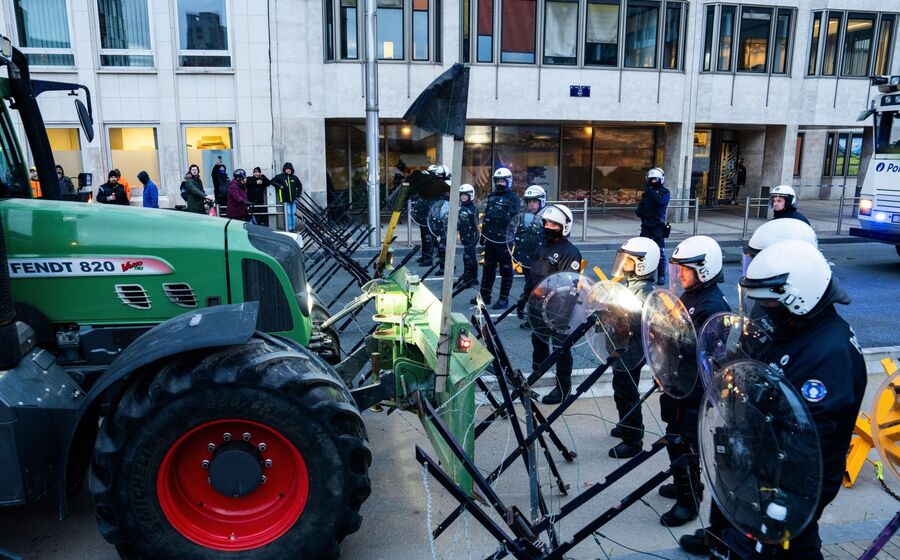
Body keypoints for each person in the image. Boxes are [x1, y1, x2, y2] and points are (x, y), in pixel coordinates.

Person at [701, 240, 865, 560]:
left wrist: (782, 500)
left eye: (770, 304)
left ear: (797, 297)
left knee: (792, 549)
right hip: (761, 469)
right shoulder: (793, 328)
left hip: (790, 487)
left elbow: (809, 439)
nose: (764, 311)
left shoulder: (830, 353)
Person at [679, 218, 820, 556]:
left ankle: (736, 538)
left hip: (777, 444)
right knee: (728, 473)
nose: (753, 270)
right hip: (745, 415)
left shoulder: (816, 336)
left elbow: (815, 436)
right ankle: (719, 532)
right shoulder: (771, 307)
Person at [659, 235, 730, 528]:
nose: (681, 274)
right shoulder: (691, 296)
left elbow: (701, 348)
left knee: (684, 441)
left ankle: (688, 500)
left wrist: (668, 335)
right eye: (678, 268)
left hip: (693, 387)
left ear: (705, 268)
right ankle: (682, 481)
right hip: (677, 380)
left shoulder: (713, 305)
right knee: (674, 435)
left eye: (686, 269)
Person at [606, 237, 659, 459]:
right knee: (621, 388)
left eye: (628, 259)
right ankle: (626, 423)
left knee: (626, 392)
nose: (623, 262)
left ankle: (633, 439)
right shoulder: (628, 284)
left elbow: (639, 323)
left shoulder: (644, 292)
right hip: (621, 347)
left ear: (642, 264)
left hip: (632, 350)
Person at [529, 204, 582, 405]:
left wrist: (561, 312)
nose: (548, 226)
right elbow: (533, 275)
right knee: (538, 340)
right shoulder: (542, 246)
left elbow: (571, 285)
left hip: (559, 307)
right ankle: (538, 372)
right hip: (537, 304)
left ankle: (563, 388)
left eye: (553, 224)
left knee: (561, 348)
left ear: (564, 227)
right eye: (546, 222)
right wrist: (527, 297)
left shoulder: (570, 252)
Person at [474, 167, 521, 309]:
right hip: (491, 239)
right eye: (498, 180)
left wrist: (503, 213)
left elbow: (515, 217)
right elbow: (487, 216)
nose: (500, 183)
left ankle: (504, 299)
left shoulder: (513, 198)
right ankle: (484, 296)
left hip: (505, 240)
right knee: (488, 268)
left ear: (509, 181)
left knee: (506, 269)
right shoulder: (492, 196)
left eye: (503, 180)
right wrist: (483, 235)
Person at [515, 185, 548, 328]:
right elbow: (521, 236)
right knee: (530, 288)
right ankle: (533, 316)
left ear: (541, 201)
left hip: (542, 262)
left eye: (534, 201)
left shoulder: (548, 217)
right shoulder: (527, 218)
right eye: (529, 202)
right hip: (528, 260)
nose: (531, 204)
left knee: (538, 291)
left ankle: (537, 320)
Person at [635, 167, 670, 285]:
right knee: (643, 251)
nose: (652, 182)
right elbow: (641, 208)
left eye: (655, 180)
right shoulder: (647, 194)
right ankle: (646, 273)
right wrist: (640, 211)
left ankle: (661, 275)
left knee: (660, 251)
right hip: (646, 226)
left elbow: (660, 201)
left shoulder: (664, 192)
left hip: (658, 226)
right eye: (651, 179)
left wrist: (650, 191)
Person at [454, 183, 479, 290]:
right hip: (464, 234)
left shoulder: (473, 208)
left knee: (469, 256)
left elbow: (475, 224)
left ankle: (470, 277)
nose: (463, 197)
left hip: (472, 235)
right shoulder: (460, 207)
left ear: (470, 196)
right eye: (462, 195)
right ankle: (470, 275)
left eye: (465, 195)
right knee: (469, 255)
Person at [272, 162, 302, 231]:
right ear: (284, 169)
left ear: (292, 170)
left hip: (293, 200)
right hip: (285, 200)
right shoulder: (280, 176)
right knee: (288, 214)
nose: (288, 170)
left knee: (293, 214)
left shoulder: (294, 177)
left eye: (290, 169)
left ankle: (293, 228)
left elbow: (300, 185)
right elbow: (272, 181)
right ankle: (289, 228)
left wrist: (298, 194)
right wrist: (279, 186)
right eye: (287, 169)